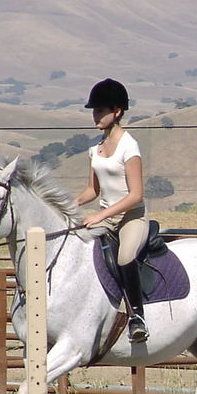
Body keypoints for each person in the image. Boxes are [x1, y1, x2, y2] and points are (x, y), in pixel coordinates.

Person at [74, 78, 150, 343]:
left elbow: (136, 195)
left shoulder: (130, 147)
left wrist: (100, 216)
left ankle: (137, 317)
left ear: (117, 111)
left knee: (125, 257)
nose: (95, 115)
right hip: (106, 218)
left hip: (131, 217)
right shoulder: (95, 149)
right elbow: (92, 190)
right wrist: (68, 206)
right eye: (94, 111)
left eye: (100, 110)